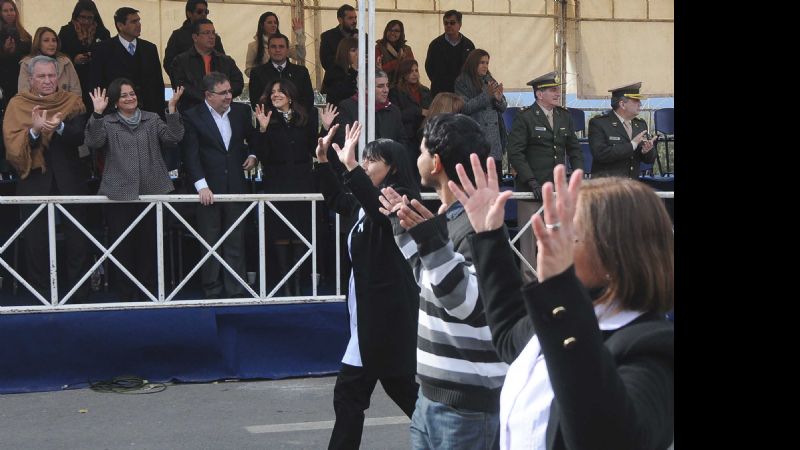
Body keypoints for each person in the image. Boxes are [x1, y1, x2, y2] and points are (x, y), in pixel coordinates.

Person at [448, 157, 674, 450]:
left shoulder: (652, 348)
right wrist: (489, 236)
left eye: (569, 232)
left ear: (614, 253)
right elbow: (509, 334)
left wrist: (560, 287)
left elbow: (608, 437)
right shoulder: (578, 312)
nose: (548, 239)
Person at [378, 113, 507, 450]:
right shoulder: (449, 217)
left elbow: (466, 303)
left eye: (421, 150)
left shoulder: (477, 225)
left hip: (466, 406)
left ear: (435, 162)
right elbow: (430, 281)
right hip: (432, 398)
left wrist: (430, 241)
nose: (416, 157)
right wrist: (403, 229)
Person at [315, 122, 420, 450]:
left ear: (392, 168)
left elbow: (381, 214)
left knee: (360, 393)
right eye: (364, 159)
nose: (363, 163)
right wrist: (322, 162)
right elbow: (338, 199)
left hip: (386, 320)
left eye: (371, 160)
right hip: (369, 321)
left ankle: (455, 437)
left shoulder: (399, 201)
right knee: (365, 394)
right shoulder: (364, 204)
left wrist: (348, 166)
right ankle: (452, 436)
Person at [84, 81, 184, 301]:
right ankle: (126, 295)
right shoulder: (108, 122)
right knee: (123, 247)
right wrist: (97, 114)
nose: (130, 98)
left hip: (152, 189)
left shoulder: (152, 118)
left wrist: (172, 109)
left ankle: (149, 293)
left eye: (132, 93)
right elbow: (93, 141)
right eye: (123, 96)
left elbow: (173, 138)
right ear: (115, 101)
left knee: (149, 245)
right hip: (119, 193)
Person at [2, 55, 90, 302]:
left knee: (78, 239)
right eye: (41, 76)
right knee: (36, 240)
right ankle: (40, 295)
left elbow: (80, 136)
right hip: (34, 179)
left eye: (52, 75)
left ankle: (79, 296)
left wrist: (58, 127)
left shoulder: (71, 101)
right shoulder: (18, 105)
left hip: (70, 178)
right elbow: (11, 147)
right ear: (30, 79)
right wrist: (34, 131)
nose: (48, 81)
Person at [180, 72, 261, 299]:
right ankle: (212, 289)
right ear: (208, 95)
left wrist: (253, 155)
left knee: (235, 238)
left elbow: (252, 137)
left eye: (229, 91)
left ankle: (236, 288)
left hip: (236, 185)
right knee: (210, 240)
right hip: (208, 188)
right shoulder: (193, 116)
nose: (229, 96)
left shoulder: (241, 112)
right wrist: (201, 186)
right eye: (223, 93)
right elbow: (191, 154)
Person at [506, 71, 583, 282]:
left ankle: (557, 282)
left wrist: (577, 176)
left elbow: (574, 150)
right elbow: (515, 152)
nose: (558, 93)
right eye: (552, 90)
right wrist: (531, 181)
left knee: (558, 238)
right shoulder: (526, 117)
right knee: (529, 242)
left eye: (558, 89)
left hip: (557, 189)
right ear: (539, 94)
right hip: (531, 189)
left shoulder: (563, 116)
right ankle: (531, 285)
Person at [255, 78, 316, 296]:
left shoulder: (305, 118)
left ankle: (298, 283)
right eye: (272, 92)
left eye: (280, 91)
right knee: (280, 231)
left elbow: (315, 149)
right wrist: (262, 130)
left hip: (302, 180)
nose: (275, 95)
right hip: (277, 181)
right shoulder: (267, 119)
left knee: (299, 231)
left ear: (290, 95)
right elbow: (262, 155)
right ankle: (286, 284)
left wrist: (326, 129)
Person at [90, 7, 164, 115]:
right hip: (114, 112)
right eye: (133, 22)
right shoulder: (103, 49)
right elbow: (96, 82)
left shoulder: (150, 48)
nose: (138, 24)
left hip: (148, 111)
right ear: (120, 25)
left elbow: (158, 83)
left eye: (139, 21)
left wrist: (160, 112)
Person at [454, 48, 507, 180]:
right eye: (482, 62)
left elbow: (504, 107)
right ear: (473, 63)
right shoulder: (462, 81)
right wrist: (486, 95)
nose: (485, 66)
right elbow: (464, 107)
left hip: (494, 141)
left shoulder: (490, 79)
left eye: (487, 63)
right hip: (475, 138)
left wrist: (499, 98)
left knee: (495, 186)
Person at [170, 19, 244, 112]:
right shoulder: (180, 61)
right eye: (206, 33)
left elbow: (238, 83)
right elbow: (180, 86)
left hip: (222, 111)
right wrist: (207, 99)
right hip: (192, 112)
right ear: (195, 37)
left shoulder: (226, 61)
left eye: (213, 33)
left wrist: (221, 95)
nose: (212, 36)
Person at [588, 82, 658, 179]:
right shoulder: (599, 123)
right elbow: (600, 154)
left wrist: (647, 151)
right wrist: (632, 145)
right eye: (635, 100)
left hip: (631, 187)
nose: (640, 103)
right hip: (606, 187)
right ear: (622, 104)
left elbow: (649, 160)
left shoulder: (640, 125)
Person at [58, 1, 111, 111]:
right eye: (83, 17)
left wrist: (94, 56)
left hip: (96, 79)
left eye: (90, 18)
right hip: (73, 78)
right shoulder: (66, 31)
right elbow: (59, 54)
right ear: (76, 16)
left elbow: (108, 55)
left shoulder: (102, 32)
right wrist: (73, 59)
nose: (86, 21)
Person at [247, 33, 313, 113]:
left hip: (297, 121)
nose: (277, 50)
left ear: (287, 50)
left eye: (281, 46)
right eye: (273, 46)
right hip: (268, 122)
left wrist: (290, 114)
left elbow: (308, 101)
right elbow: (256, 103)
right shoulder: (257, 73)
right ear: (268, 50)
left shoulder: (301, 72)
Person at [163, 0, 225, 84]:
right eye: (199, 12)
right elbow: (169, 63)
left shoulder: (214, 37)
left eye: (206, 11)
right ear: (189, 14)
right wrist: (180, 82)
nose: (204, 14)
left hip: (212, 87)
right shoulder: (178, 36)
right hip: (187, 88)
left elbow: (222, 61)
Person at [18, 27, 82, 97]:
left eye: (54, 40)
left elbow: (76, 92)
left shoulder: (65, 62)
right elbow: (23, 93)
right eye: (46, 40)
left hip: (65, 106)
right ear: (38, 43)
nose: (51, 44)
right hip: (36, 106)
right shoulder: (27, 64)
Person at [424, 10, 474, 98]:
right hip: (440, 93)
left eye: (452, 23)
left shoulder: (469, 45)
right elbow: (429, 67)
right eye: (446, 23)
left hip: (463, 94)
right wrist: (438, 81)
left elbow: (473, 68)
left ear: (460, 24)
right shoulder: (435, 45)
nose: (448, 25)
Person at [244, 11, 305, 77]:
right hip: (263, 84)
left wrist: (299, 34)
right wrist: (263, 75)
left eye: (275, 23)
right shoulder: (253, 46)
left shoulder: (284, 43)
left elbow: (300, 56)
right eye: (269, 22)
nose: (273, 25)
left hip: (283, 82)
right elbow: (248, 70)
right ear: (262, 25)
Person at [389, 59, 431, 153]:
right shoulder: (395, 92)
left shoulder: (425, 91)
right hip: (407, 136)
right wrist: (419, 111)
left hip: (424, 134)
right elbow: (397, 115)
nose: (415, 74)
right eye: (411, 71)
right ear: (403, 74)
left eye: (416, 70)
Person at [0, 0, 31, 101]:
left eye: (11, 10)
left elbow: (30, 55)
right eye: (5, 11)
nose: (9, 13)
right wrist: (5, 51)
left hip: (22, 80)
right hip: (5, 81)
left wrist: (15, 52)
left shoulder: (24, 34)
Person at [319, 36, 358, 107]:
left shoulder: (363, 70)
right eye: (353, 50)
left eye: (359, 50)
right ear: (345, 52)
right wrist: (354, 71)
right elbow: (343, 93)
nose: (357, 54)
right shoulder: (334, 70)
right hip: (335, 112)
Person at [319, 4, 357, 72]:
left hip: (359, 78)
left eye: (355, 17)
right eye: (350, 18)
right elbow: (326, 63)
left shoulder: (362, 36)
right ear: (340, 20)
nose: (354, 21)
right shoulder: (328, 37)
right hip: (336, 79)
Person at [375, 20, 414, 86]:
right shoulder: (379, 47)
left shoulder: (407, 49)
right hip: (385, 86)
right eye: (390, 30)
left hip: (404, 87)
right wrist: (397, 61)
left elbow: (412, 69)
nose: (392, 33)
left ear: (401, 33)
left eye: (396, 31)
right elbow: (378, 71)